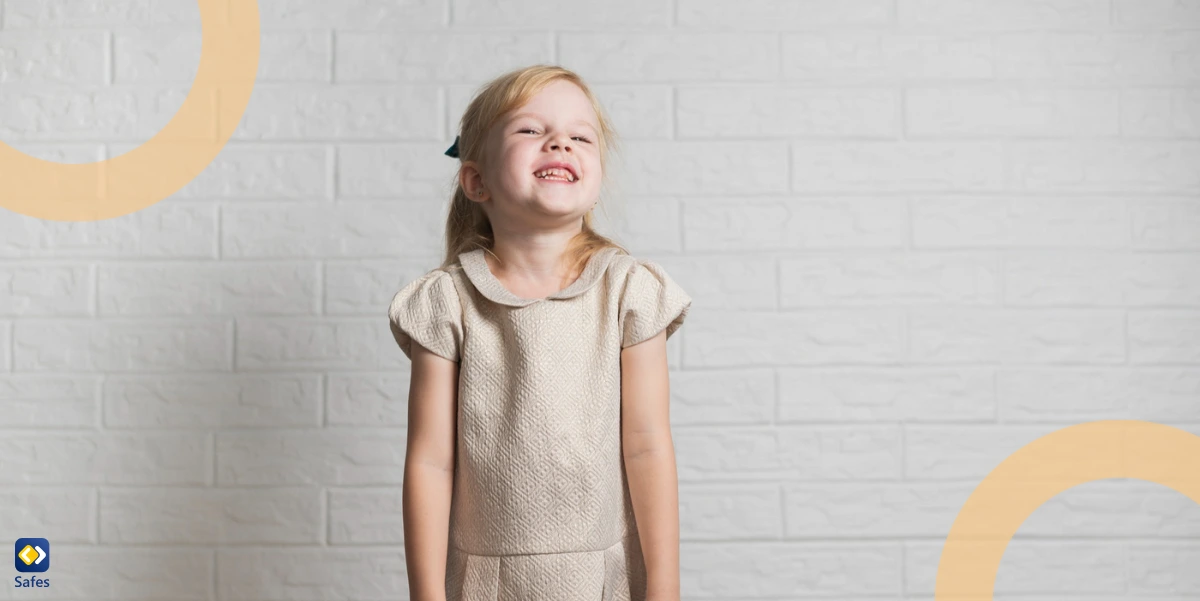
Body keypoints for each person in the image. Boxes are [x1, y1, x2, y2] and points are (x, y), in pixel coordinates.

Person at [388, 64, 692, 601]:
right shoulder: (447, 303)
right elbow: (430, 461)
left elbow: (647, 447)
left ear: (596, 181)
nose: (560, 142)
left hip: (605, 575)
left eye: (580, 136)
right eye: (531, 130)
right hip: (484, 581)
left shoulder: (628, 292)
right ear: (476, 179)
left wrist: (664, 587)